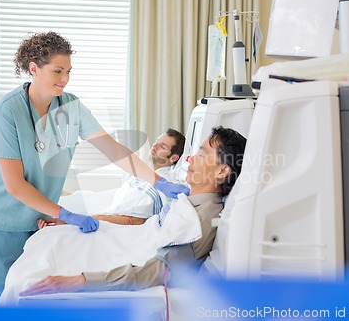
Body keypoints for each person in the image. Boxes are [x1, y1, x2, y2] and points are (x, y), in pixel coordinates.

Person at [0, 31, 189, 306]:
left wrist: (158, 182)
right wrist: (66, 214)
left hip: (37, 215)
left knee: (21, 295)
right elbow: (14, 185)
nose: (65, 79)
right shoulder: (7, 113)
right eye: (58, 71)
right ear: (33, 68)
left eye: (68, 71)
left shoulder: (71, 106)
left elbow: (114, 150)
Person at [18, 126, 246, 296]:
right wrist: (71, 222)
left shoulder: (200, 219)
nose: (190, 158)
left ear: (222, 172)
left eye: (202, 153)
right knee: (50, 241)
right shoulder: (187, 199)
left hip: (128, 253)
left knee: (34, 270)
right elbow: (145, 227)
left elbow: (159, 271)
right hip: (125, 240)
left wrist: (82, 281)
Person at [57, 128, 186, 226]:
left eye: (163, 146)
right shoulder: (143, 173)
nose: (155, 146)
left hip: (102, 213)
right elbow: (117, 196)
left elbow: (136, 219)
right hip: (101, 202)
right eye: (157, 141)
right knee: (61, 196)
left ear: (174, 158)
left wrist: (73, 221)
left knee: (56, 206)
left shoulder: (165, 186)